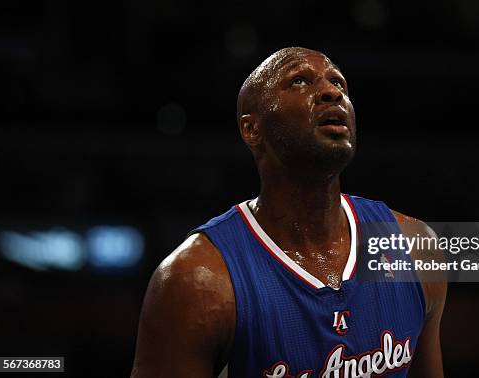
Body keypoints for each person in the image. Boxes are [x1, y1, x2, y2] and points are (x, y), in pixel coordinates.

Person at [131, 47, 446, 378]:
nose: (331, 92)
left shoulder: (413, 245)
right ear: (252, 129)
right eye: (299, 81)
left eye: (339, 83)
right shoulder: (194, 281)